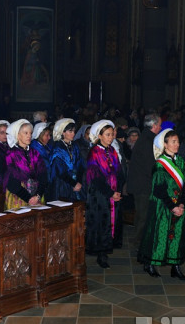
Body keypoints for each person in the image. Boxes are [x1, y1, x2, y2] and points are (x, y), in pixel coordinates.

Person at [138, 129, 185, 280]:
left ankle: (176, 266)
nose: (177, 145)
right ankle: (150, 264)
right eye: (173, 142)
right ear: (165, 144)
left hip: (179, 206)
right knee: (159, 235)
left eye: (178, 141)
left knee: (177, 236)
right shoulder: (160, 165)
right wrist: (172, 206)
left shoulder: (181, 161)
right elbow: (158, 190)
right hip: (163, 206)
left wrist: (181, 204)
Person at [85, 120, 124, 269]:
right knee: (101, 222)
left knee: (111, 222)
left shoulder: (112, 151)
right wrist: (109, 192)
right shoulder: (94, 152)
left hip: (113, 192)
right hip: (100, 194)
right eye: (107, 135)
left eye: (112, 134)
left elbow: (119, 171)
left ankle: (107, 248)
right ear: (100, 136)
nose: (111, 137)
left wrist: (118, 189)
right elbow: (95, 176)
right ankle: (101, 254)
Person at [128, 113, 163, 246]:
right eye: (159, 125)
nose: (160, 127)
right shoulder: (148, 141)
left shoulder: (147, 137)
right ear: (154, 126)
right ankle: (138, 240)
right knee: (143, 214)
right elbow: (150, 165)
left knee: (143, 213)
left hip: (142, 182)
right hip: (142, 184)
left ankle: (140, 238)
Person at [3, 119, 48, 209]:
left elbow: (43, 176)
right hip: (19, 197)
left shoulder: (35, 153)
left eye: (30, 133)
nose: (29, 136)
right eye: (26, 133)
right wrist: (28, 198)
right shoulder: (11, 154)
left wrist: (38, 195)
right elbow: (11, 182)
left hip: (37, 196)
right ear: (18, 135)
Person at [49, 118, 86, 201]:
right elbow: (59, 170)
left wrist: (78, 181)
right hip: (63, 183)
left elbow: (80, 164)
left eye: (74, 131)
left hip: (76, 181)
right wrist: (73, 183)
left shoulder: (75, 146)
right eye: (70, 131)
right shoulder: (58, 148)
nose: (73, 134)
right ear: (63, 132)